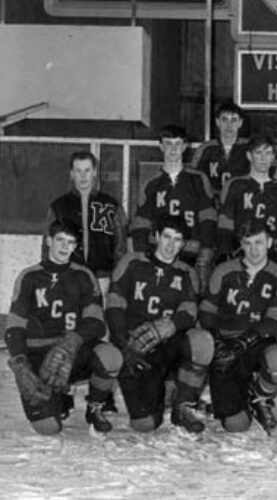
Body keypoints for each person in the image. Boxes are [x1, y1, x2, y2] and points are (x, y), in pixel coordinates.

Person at [5, 219, 122, 435]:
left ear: (76, 246)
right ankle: (57, 396)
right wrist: (21, 362)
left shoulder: (84, 275)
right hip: (38, 355)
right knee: (48, 428)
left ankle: (94, 407)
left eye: (70, 242)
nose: (64, 247)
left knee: (111, 356)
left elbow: (96, 322)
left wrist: (72, 341)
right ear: (49, 241)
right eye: (59, 240)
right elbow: (14, 325)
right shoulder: (29, 276)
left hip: (73, 349)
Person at [106, 215, 214, 434]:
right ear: (156, 236)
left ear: (183, 244)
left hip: (168, 345)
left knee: (202, 341)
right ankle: (163, 390)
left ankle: (182, 405)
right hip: (136, 348)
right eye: (166, 237)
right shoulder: (131, 262)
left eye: (177, 239)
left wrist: (167, 326)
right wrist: (122, 343)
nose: (170, 245)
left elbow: (190, 311)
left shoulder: (186, 272)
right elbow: (113, 304)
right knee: (144, 424)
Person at [199, 221, 277, 433]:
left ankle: (259, 395)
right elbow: (207, 310)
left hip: (258, 339)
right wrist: (215, 340)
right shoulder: (223, 270)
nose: (253, 250)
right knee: (236, 425)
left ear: (269, 242)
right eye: (248, 243)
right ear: (241, 244)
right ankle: (238, 399)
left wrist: (244, 341)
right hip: (226, 341)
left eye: (259, 242)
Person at [130, 124, 217, 291]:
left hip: (191, 253)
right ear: (161, 146)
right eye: (168, 143)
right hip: (159, 253)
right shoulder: (151, 183)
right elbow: (141, 222)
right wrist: (142, 255)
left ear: (185, 147)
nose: (173, 149)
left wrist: (206, 249)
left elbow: (209, 217)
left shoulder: (198, 179)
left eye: (177, 144)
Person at [43, 150, 127, 296]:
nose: (83, 176)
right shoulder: (58, 207)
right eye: (78, 171)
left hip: (103, 278)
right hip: (68, 275)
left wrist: (118, 279)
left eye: (87, 170)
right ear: (71, 174)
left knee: (99, 317)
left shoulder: (112, 206)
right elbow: (47, 245)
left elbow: (120, 247)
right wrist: (49, 275)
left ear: (94, 172)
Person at [218, 134, 277, 267]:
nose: (263, 158)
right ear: (249, 156)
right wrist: (224, 251)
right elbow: (225, 222)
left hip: (273, 254)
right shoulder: (235, 185)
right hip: (241, 252)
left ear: (273, 157)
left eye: (268, 153)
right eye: (259, 153)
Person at [191, 102, 250, 200]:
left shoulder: (249, 147)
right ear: (218, 122)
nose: (229, 125)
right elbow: (194, 178)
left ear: (240, 123)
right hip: (212, 201)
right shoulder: (205, 148)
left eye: (234, 120)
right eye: (224, 119)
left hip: (242, 201)